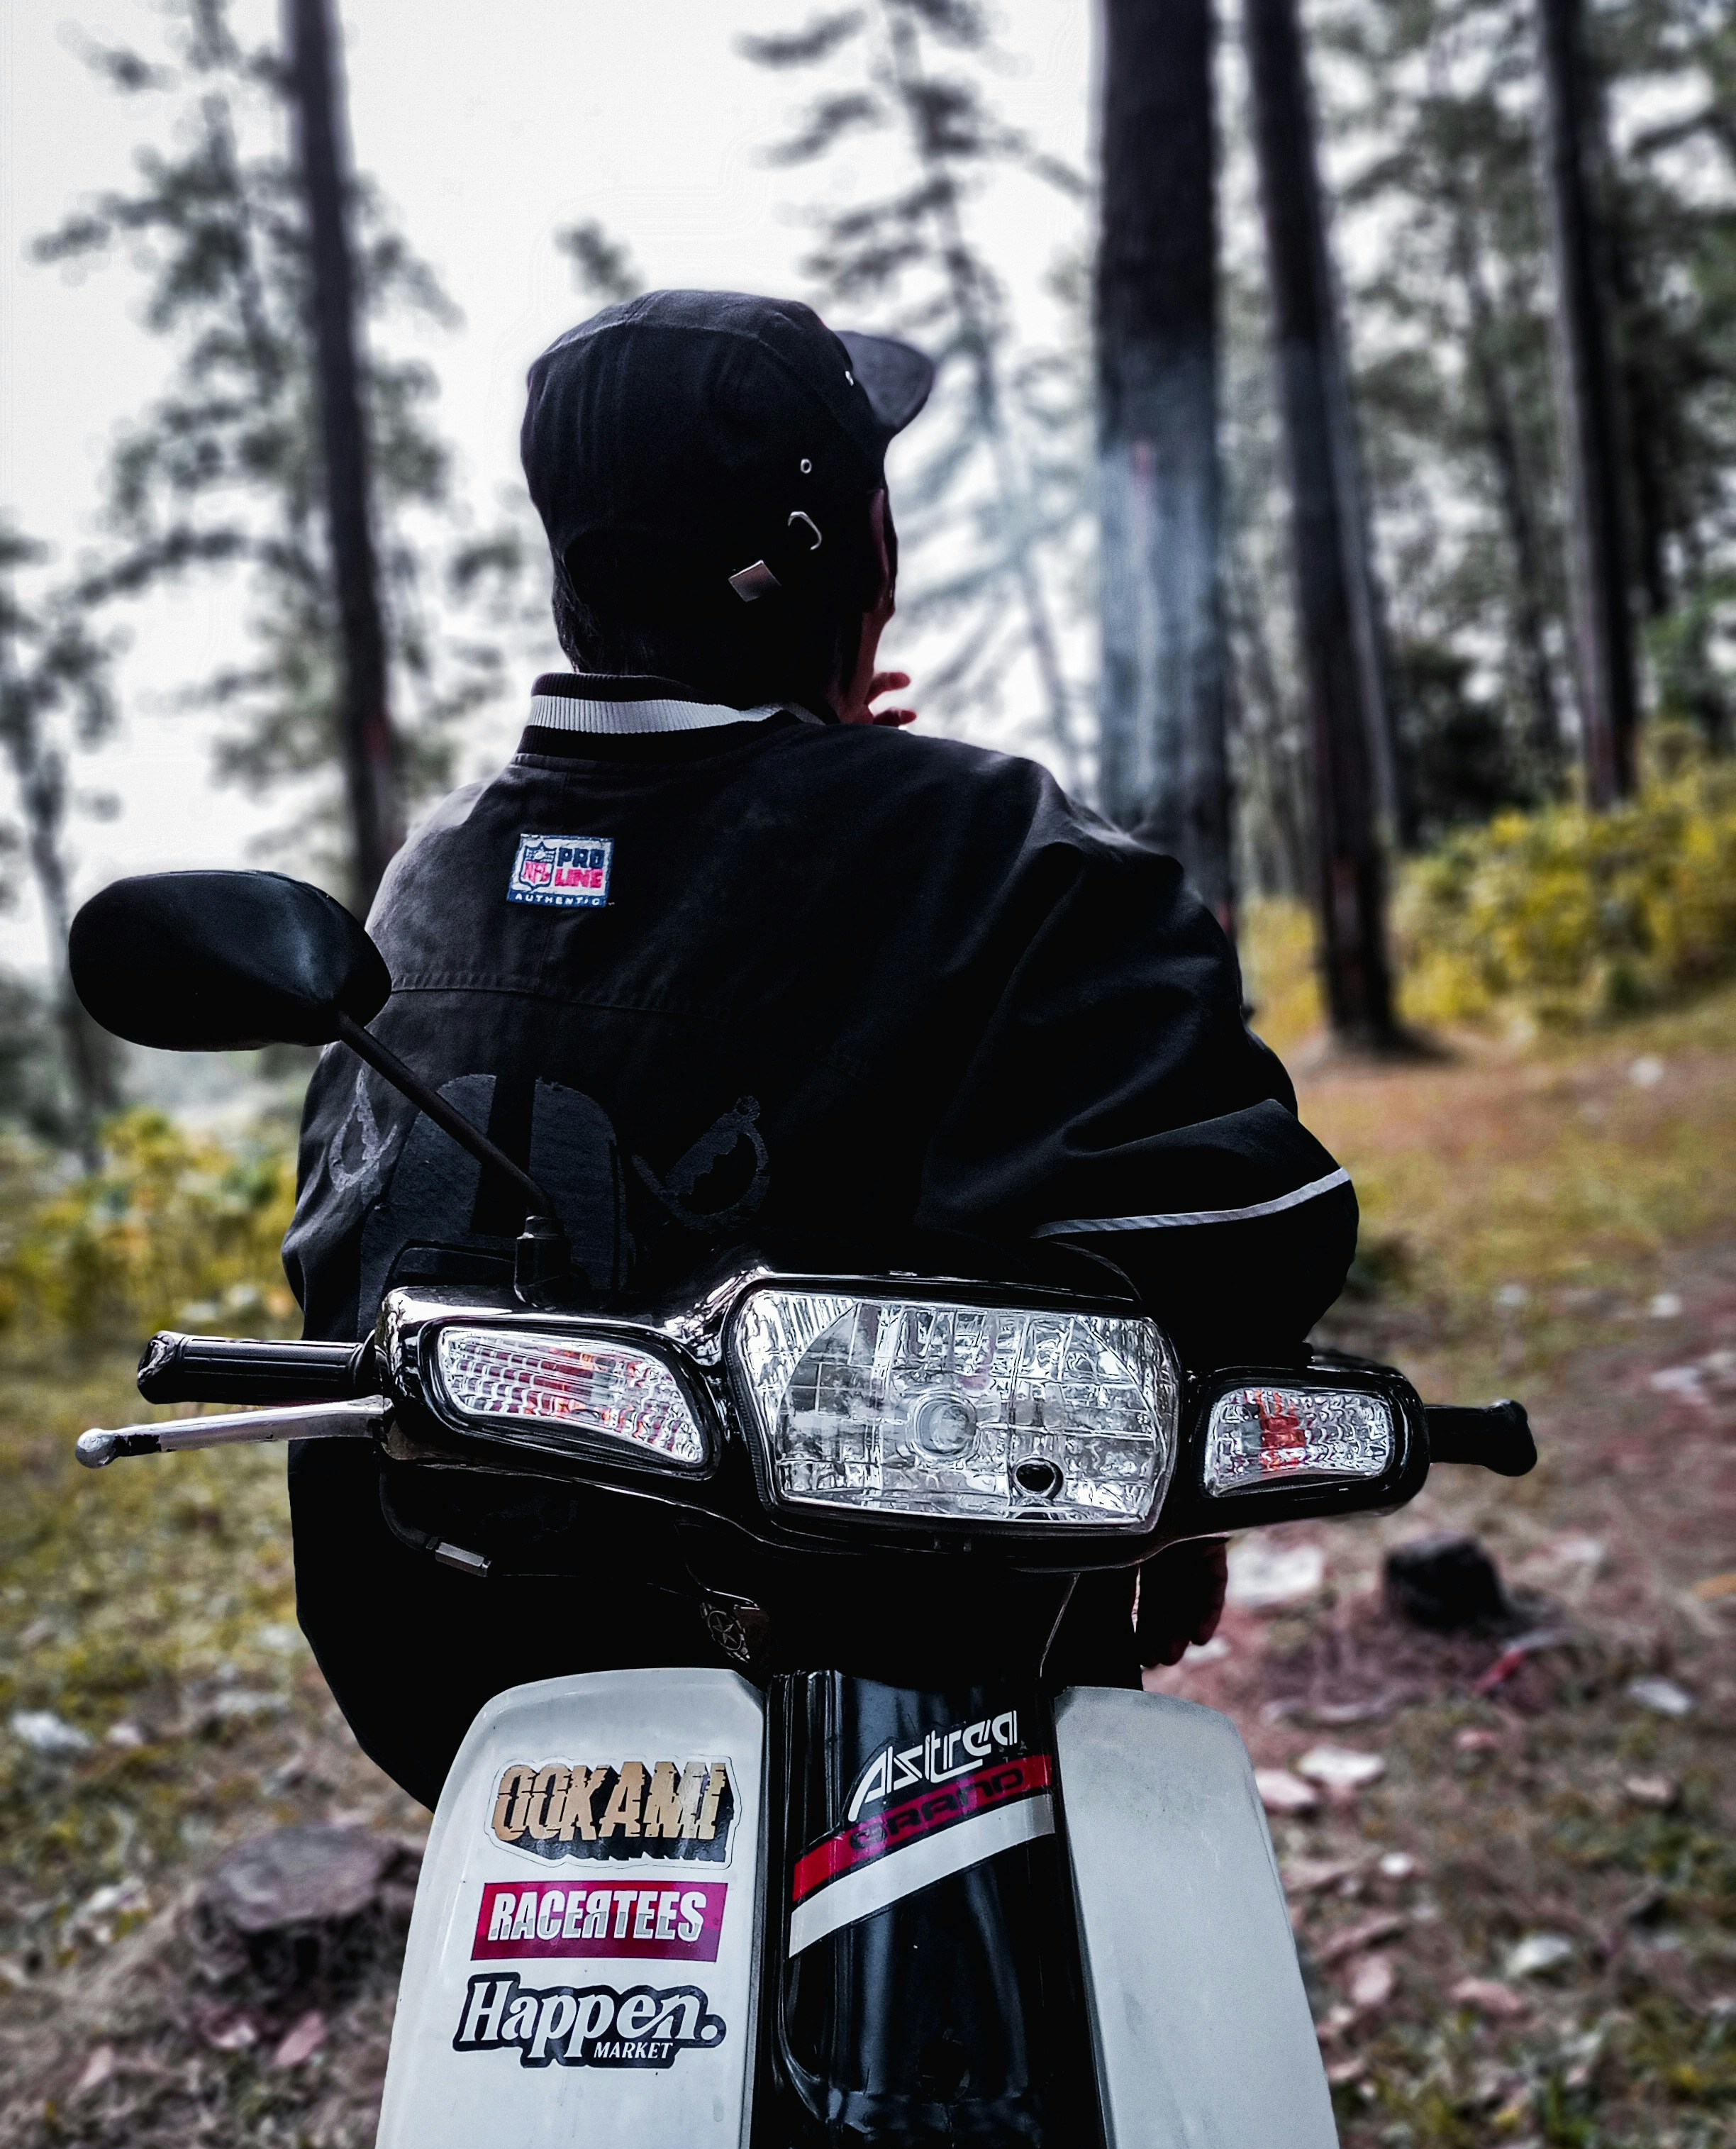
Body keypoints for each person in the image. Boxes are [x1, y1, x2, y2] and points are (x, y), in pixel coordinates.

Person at [284, 291, 1354, 1807]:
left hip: (454, 1697)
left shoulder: (427, 883)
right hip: (896, 1727)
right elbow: (1239, 1231)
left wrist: (836, 779)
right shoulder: (999, 849)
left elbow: (336, 1251)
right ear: (858, 552)